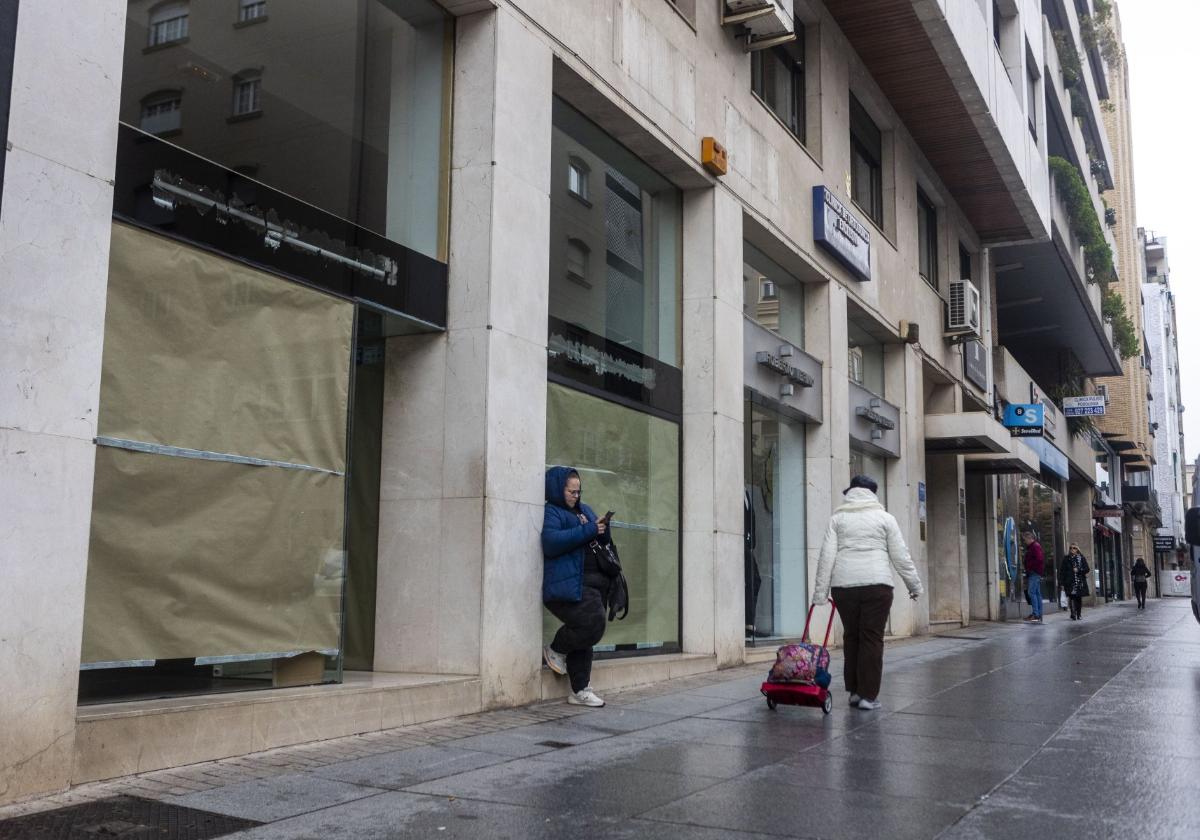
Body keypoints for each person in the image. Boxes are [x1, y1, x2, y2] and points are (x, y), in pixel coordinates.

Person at [812, 475, 922, 711]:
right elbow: (901, 556)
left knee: (852, 636)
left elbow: (826, 557)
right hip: (877, 586)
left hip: (844, 588)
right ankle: (868, 696)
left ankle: (853, 691)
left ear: (850, 492)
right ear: (873, 494)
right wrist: (914, 586)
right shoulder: (886, 519)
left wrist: (820, 593)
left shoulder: (837, 519)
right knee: (871, 638)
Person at [541, 466, 609, 707]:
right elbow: (550, 542)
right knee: (593, 621)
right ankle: (556, 649)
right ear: (559, 489)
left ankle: (580, 689)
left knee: (588, 631)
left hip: (590, 584)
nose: (576, 496)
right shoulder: (553, 512)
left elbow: (597, 539)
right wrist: (588, 529)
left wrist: (602, 529)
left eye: (578, 492)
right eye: (571, 492)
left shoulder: (585, 510)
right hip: (565, 586)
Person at [1059, 543, 1091, 620]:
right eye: (1071, 548)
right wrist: (1062, 583)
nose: (1072, 549)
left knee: (1078, 598)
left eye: (1074, 548)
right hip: (1069, 581)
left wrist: (1078, 570)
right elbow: (1062, 571)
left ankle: (1079, 614)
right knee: (1071, 597)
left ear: (1077, 549)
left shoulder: (1081, 558)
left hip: (1079, 582)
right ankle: (1073, 613)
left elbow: (1087, 569)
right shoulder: (1066, 558)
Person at [1021, 531, 1045, 624]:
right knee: (1037, 593)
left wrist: (1030, 568)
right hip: (1035, 572)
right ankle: (1038, 614)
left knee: (1032, 592)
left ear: (1029, 538)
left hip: (1034, 572)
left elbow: (1039, 559)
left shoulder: (1035, 546)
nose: (1025, 541)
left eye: (1025, 540)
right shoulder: (1034, 546)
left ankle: (1036, 614)